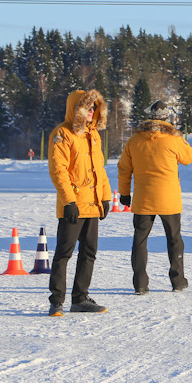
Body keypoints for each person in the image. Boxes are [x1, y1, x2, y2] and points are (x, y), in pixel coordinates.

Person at [118, 100, 192, 294]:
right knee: (174, 239)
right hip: (168, 198)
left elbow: (124, 169)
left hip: (143, 198)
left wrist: (124, 193)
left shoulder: (134, 140)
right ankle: (178, 281)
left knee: (140, 240)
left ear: (149, 117)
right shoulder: (173, 139)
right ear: (167, 118)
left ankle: (140, 284)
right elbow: (189, 158)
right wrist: (180, 136)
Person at [47, 89, 112, 316]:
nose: (91, 111)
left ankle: (80, 298)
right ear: (76, 109)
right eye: (87, 107)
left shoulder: (94, 135)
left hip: (92, 205)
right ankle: (57, 301)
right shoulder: (62, 133)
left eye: (94, 107)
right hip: (73, 205)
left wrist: (106, 196)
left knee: (89, 252)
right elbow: (59, 171)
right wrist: (69, 202)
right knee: (64, 253)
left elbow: (100, 170)